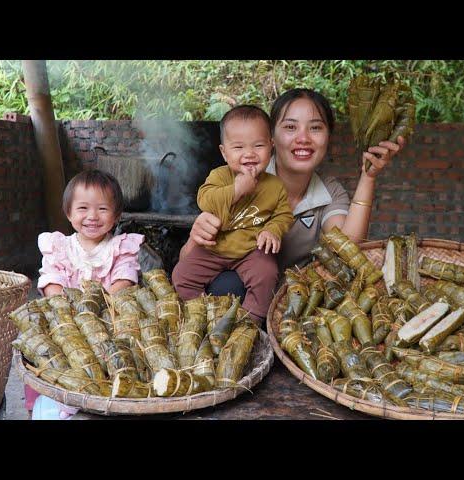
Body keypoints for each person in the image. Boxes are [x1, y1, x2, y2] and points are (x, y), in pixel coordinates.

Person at [179, 88, 405, 299]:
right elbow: (187, 262)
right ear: (272, 139)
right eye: (290, 127)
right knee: (228, 283)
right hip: (233, 303)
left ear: (328, 137)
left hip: (292, 305)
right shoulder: (235, 182)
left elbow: (347, 248)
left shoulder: (329, 191)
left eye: (315, 127)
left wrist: (369, 176)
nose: (303, 138)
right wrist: (196, 238)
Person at [29, 168, 145, 419]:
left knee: (115, 354)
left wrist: (97, 308)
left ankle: (101, 392)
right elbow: (51, 280)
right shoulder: (59, 246)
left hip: (107, 318)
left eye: (102, 209)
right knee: (45, 348)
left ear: (116, 215)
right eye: (83, 208)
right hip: (66, 319)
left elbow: (125, 279)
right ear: (68, 212)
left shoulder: (120, 247)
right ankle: (56, 398)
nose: (92, 216)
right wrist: (63, 306)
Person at [172, 105, 294, 325]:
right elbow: (205, 200)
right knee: (181, 276)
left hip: (250, 250)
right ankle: (203, 314)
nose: (249, 154)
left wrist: (272, 230)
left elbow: (283, 214)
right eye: (238, 147)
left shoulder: (275, 186)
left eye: (258, 145)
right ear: (224, 152)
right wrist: (237, 190)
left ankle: (250, 322)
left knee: (267, 273)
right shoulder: (218, 176)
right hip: (214, 248)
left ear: (271, 147)